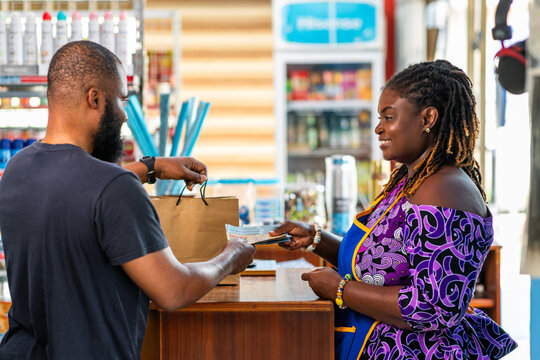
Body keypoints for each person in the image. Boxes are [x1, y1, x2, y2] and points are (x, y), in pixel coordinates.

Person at [0, 41, 255, 359]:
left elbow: (78, 190)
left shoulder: (17, 168)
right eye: (121, 99)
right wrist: (232, 255)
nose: (123, 115)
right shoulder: (114, 189)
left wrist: (152, 166)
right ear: (95, 99)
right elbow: (173, 290)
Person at [270, 60, 517, 359]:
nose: (378, 128)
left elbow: (433, 306)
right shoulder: (410, 180)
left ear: (428, 117)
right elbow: (380, 264)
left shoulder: (444, 189)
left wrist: (341, 290)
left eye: (388, 116)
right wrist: (316, 240)